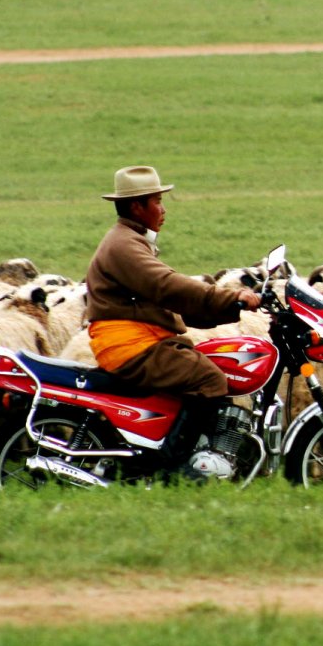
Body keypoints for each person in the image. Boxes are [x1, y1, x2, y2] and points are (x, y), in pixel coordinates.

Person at [85, 166, 262, 468]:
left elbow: (168, 303)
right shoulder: (124, 245)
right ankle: (178, 465)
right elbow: (167, 286)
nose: (163, 210)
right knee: (209, 379)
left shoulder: (130, 239)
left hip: (140, 340)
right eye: (157, 202)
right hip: (131, 346)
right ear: (136, 206)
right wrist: (231, 295)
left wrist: (229, 309)